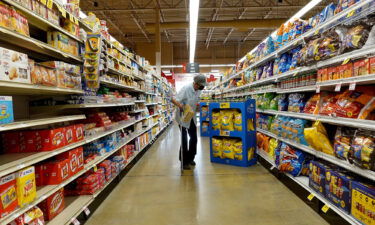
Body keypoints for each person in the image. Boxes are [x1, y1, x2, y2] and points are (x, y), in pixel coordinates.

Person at [172, 74, 206, 170]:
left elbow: (195, 102)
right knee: (184, 139)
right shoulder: (186, 88)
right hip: (182, 117)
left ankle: (191, 158)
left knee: (194, 138)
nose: (202, 88)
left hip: (191, 117)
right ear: (195, 83)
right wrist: (181, 106)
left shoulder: (198, 91)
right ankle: (184, 161)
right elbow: (174, 99)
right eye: (201, 86)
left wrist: (199, 107)